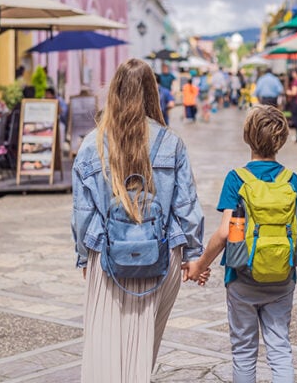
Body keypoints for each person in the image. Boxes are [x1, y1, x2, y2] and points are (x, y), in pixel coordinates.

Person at [72, 58, 206, 383]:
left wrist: (83, 256)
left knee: (105, 345)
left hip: (107, 255)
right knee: (144, 344)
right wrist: (193, 256)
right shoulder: (170, 142)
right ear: (152, 93)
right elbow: (186, 205)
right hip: (161, 255)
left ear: (114, 92)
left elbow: (83, 213)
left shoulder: (91, 145)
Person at [185, 105, 297, 382]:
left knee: (243, 350)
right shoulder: (292, 180)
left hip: (242, 278)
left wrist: (199, 265)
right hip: (283, 276)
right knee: (279, 347)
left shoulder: (236, 179)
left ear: (247, 137)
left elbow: (226, 233)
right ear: (282, 140)